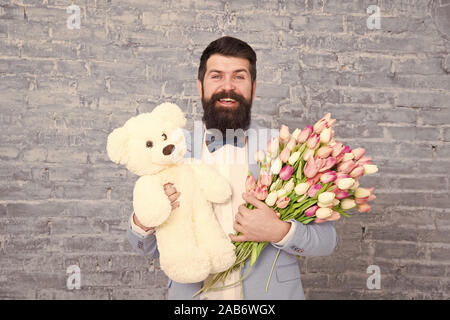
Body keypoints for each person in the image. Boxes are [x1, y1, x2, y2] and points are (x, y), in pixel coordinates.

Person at [126, 36, 339, 300]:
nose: (228, 86)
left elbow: (327, 240)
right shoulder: (169, 148)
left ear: (254, 86)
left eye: (239, 77)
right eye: (216, 76)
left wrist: (280, 231)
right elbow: (144, 248)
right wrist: (144, 221)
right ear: (200, 85)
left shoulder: (286, 148)